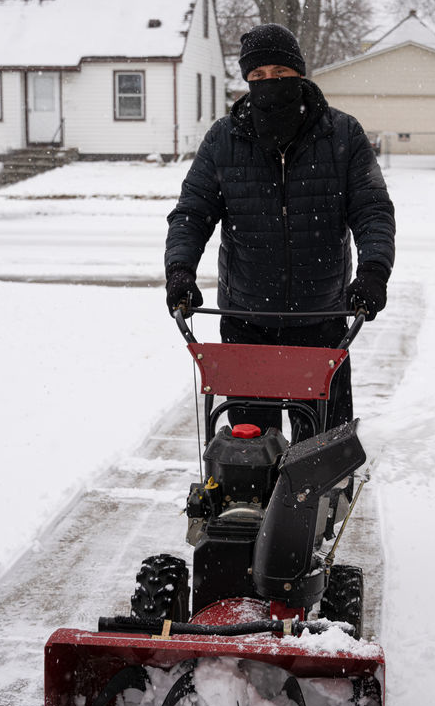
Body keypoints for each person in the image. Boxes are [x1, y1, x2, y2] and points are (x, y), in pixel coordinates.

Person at [165, 22, 395, 436]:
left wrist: (373, 272)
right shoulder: (225, 139)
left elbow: (372, 209)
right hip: (245, 319)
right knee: (250, 447)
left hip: (322, 320)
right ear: (247, 82)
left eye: (280, 74)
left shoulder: (342, 135)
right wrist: (180, 270)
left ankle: (323, 499)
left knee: (322, 446)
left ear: (300, 75)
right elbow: (191, 212)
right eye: (257, 77)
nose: (269, 84)